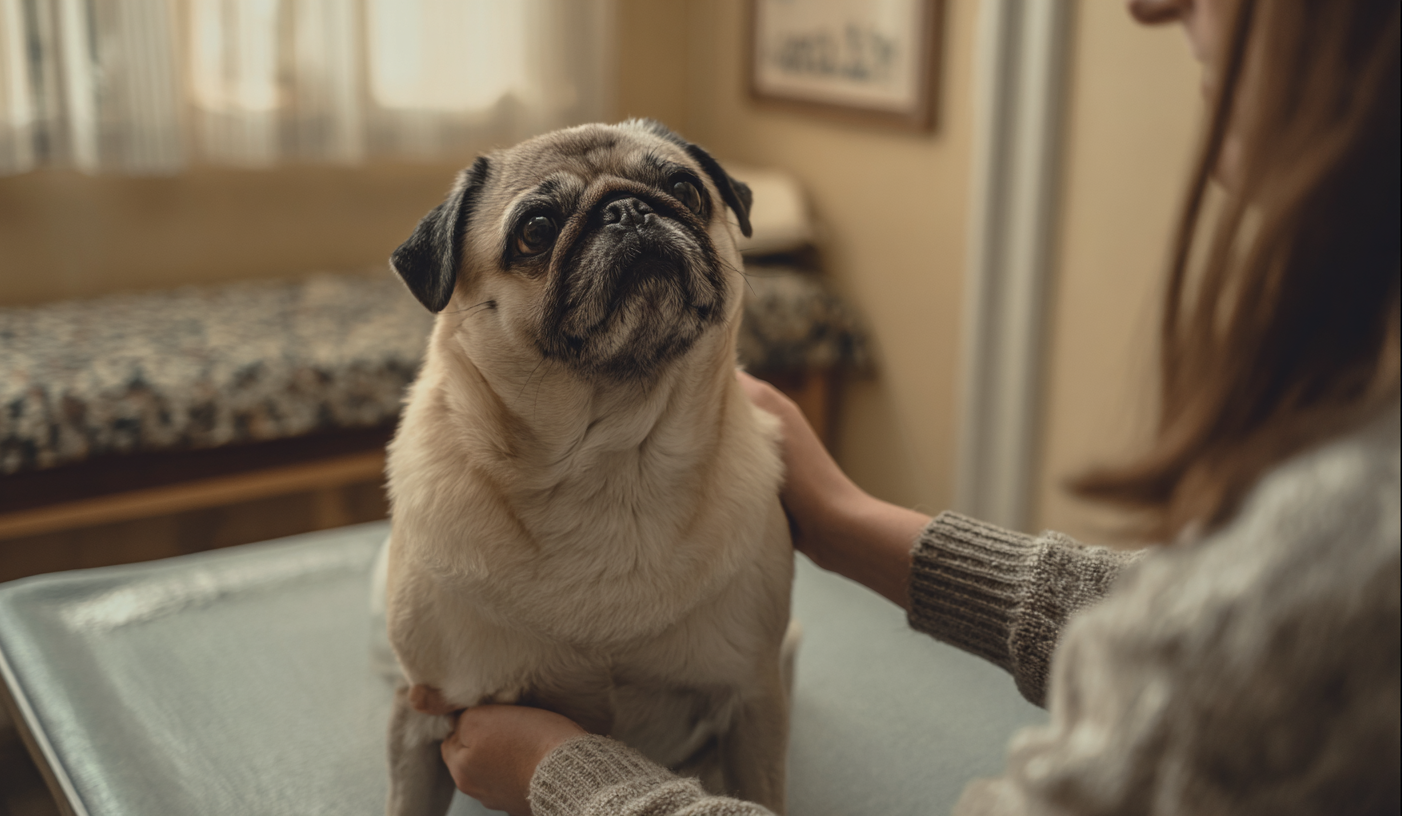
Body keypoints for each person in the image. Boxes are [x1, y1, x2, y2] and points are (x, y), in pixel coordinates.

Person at [435, 0, 1401, 813]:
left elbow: (1276, 631)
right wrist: (855, 522)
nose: (1147, 5)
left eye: (673, 197)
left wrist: (563, 777)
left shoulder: (1357, 544)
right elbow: (1223, 624)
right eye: (540, 230)